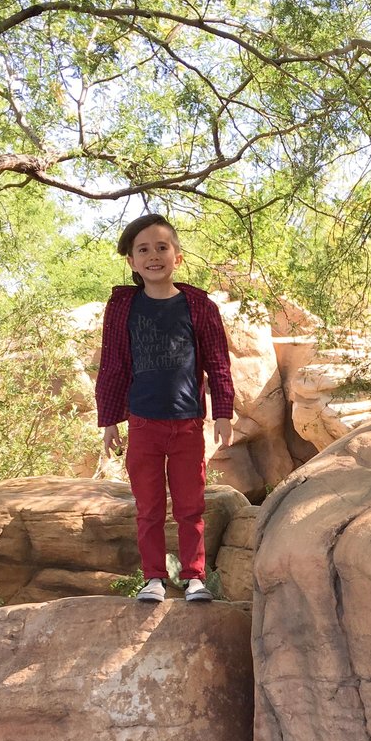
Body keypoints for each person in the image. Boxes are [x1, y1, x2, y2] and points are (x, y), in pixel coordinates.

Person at [96, 213, 235, 603]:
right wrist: (109, 421)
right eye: (143, 250)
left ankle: (194, 578)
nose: (153, 255)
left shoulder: (198, 305)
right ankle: (154, 578)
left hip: (187, 424)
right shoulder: (124, 308)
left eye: (162, 247)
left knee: (191, 506)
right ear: (132, 262)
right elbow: (114, 365)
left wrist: (222, 410)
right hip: (143, 425)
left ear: (178, 256)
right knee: (149, 507)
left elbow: (217, 360)